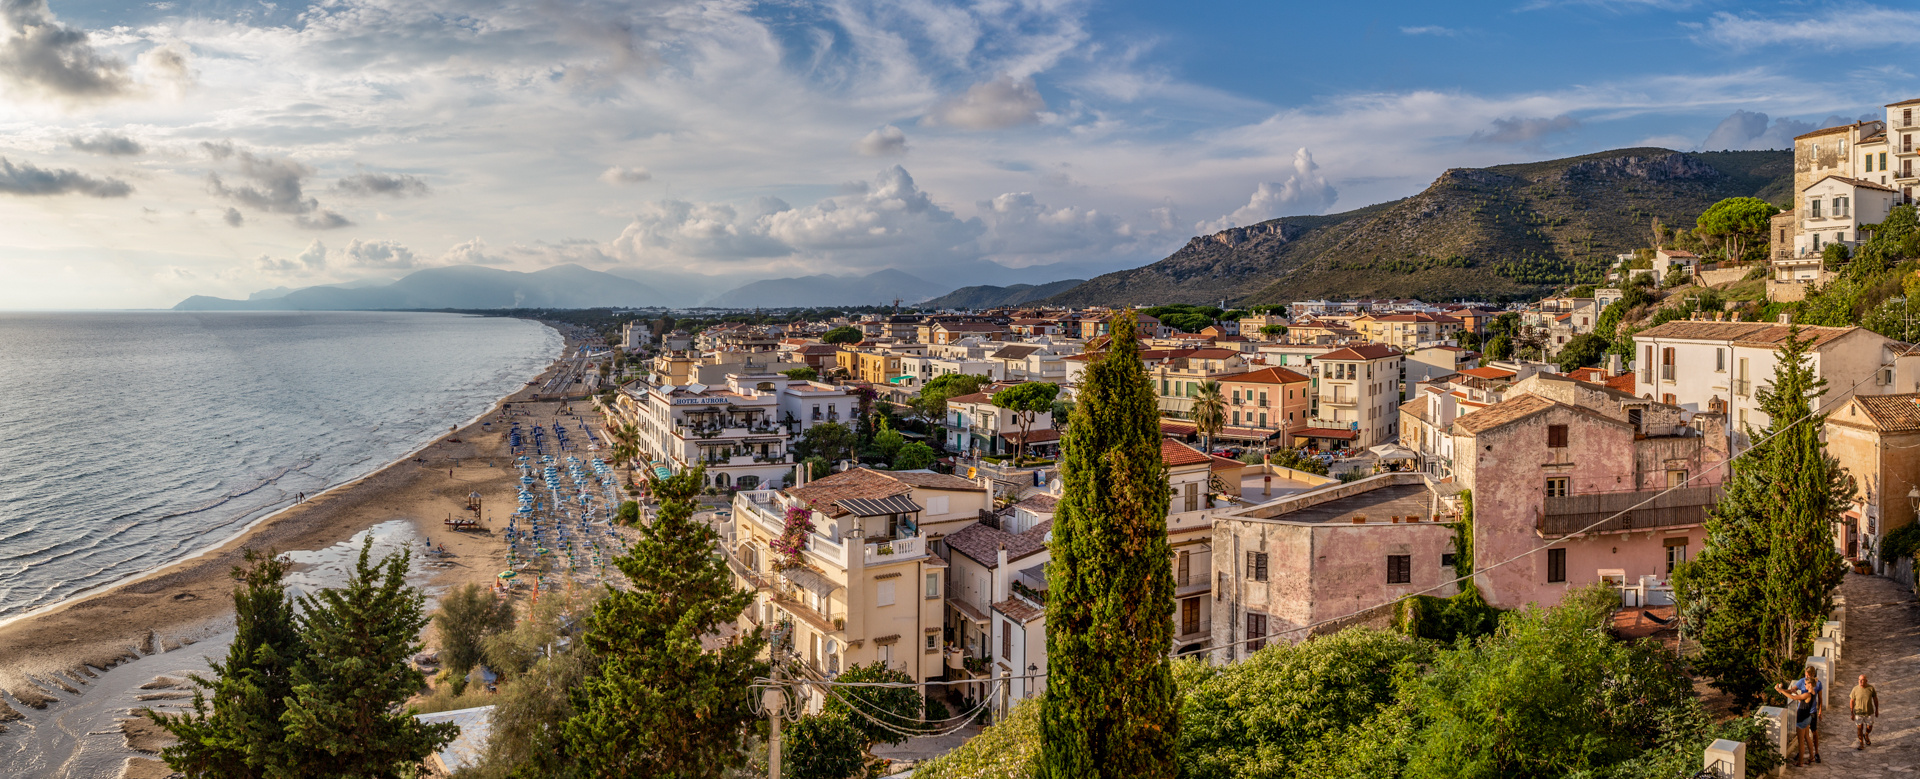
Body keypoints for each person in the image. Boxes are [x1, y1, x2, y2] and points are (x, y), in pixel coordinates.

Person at [1776, 666, 1823, 765]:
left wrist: (1781, 691)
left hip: (1802, 719)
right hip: (1807, 717)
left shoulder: (1807, 694)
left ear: (1810, 684)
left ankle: (1800, 762)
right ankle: (1811, 757)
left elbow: (1793, 697)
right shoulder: (1813, 692)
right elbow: (1797, 694)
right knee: (1807, 737)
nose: (1804, 685)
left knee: (1801, 742)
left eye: (1806, 684)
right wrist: (1785, 690)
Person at [1850, 674, 1879, 750]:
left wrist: (1877, 710)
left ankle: (1866, 735)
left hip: (1869, 712)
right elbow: (1852, 701)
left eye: (1862, 680)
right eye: (1859, 679)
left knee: (1869, 727)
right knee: (1859, 728)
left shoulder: (1871, 688)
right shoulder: (1855, 689)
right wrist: (1851, 712)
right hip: (1858, 712)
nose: (1860, 681)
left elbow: (1875, 699)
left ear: (1866, 681)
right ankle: (1861, 743)